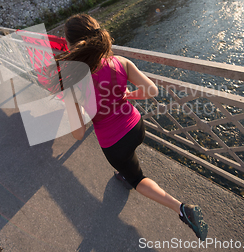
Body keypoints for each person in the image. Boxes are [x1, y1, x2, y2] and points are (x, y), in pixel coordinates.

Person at [56, 14, 208, 241]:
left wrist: (83, 110)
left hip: (114, 143)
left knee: (137, 180)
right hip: (137, 127)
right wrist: (129, 94)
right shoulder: (119, 62)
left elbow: (78, 135)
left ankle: (182, 209)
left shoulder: (73, 81)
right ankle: (122, 172)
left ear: (71, 45)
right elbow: (151, 90)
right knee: (127, 161)